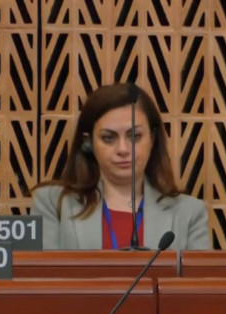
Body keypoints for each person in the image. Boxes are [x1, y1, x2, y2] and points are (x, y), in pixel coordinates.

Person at [31, 83, 210, 250]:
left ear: (153, 138)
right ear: (88, 142)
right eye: (108, 138)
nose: (123, 149)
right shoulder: (52, 204)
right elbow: (41, 272)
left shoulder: (189, 213)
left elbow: (200, 274)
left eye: (135, 136)